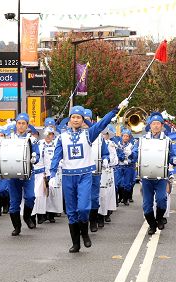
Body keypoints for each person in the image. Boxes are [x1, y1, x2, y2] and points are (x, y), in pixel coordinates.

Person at [49, 100, 126, 253]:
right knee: (71, 211)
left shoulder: (88, 134)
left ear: (83, 119)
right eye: (73, 117)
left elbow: (103, 123)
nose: (76, 119)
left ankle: (85, 233)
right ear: (70, 119)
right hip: (68, 176)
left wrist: (117, 108)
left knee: (83, 208)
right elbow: (56, 157)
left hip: (84, 175)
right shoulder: (62, 137)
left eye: (79, 117)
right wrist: (51, 174)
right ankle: (75, 243)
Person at [140, 112, 176, 235]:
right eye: (153, 124)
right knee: (147, 205)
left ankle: (159, 218)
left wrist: (174, 160)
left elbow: (171, 156)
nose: (156, 126)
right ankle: (152, 225)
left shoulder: (167, 140)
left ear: (162, 126)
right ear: (150, 125)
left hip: (161, 176)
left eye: (158, 124)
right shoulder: (143, 139)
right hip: (146, 177)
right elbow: (137, 154)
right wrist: (130, 154)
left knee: (162, 199)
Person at [7, 113, 40, 236]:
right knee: (14, 202)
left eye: (23, 124)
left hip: (28, 173)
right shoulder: (9, 138)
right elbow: (0, 152)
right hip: (13, 173)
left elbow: (37, 154)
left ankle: (27, 217)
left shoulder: (32, 139)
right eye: (19, 123)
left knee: (30, 197)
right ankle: (17, 226)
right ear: (16, 125)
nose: (21, 126)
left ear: (27, 126)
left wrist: (34, 158)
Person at [115, 129, 138, 206]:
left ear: (129, 137)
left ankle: (126, 199)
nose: (125, 138)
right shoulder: (117, 145)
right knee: (118, 183)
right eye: (124, 136)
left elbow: (135, 156)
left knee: (127, 183)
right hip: (119, 166)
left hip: (128, 166)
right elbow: (115, 154)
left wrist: (130, 160)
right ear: (121, 136)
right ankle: (119, 198)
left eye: (127, 136)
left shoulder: (132, 146)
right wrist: (121, 157)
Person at [0, 129, 10, 216]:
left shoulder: (7, 146)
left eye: (2, 135)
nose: (0, 137)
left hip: (5, 169)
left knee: (4, 189)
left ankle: (6, 203)